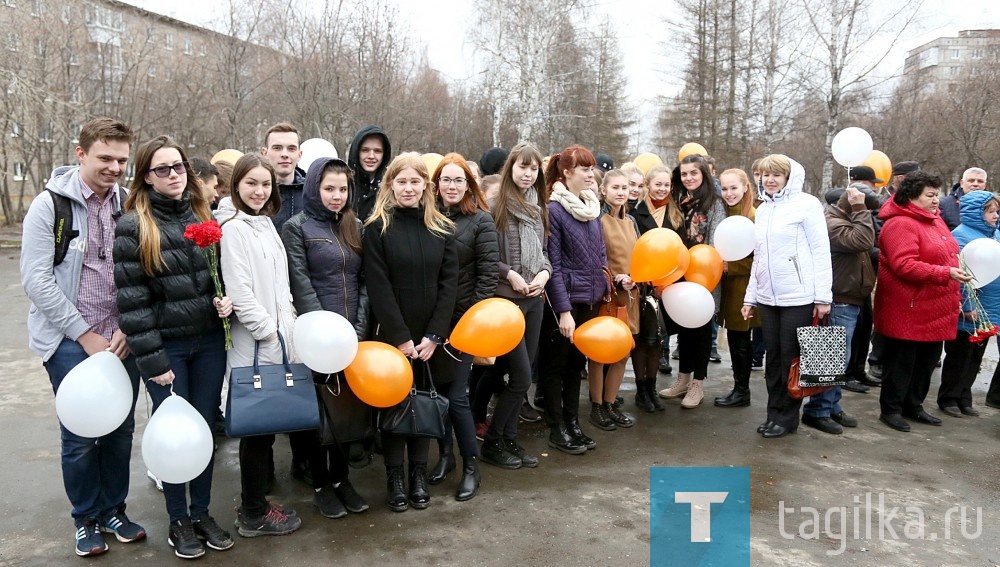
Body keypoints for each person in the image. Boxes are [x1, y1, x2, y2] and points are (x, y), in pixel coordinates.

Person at [21, 118, 145, 557]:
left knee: (120, 429)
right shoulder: (49, 206)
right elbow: (36, 279)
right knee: (79, 435)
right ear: (81, 153)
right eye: (105, 158)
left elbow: (141, 272)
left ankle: (114, 510)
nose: (114, 168)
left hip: (121, 339)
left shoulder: (130, 204)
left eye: (122, 160)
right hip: (71, 342)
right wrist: (84, 334)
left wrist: (128, 327)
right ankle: (86, 518)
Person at [114, 135, 234, 559]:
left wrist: (222, 301)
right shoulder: (134, 225)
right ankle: (177, 520)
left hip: (207, 344)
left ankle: (200, 512)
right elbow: (132, 303)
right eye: (162, 169)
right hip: (168, 350)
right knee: (173, 436)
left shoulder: (202, 213)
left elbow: (213, 277)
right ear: (146, 176)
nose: (173, 175)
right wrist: (155, 361)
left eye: (178, 167)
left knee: (202, 431)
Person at [363, 152, 458, 512]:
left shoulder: (442, 229)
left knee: (423, 403)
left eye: (415, 181)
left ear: (425, 186)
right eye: (401, 181)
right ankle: (395, 476)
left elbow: (449, 285)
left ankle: (418, 473)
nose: (408, 188)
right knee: (395, 405)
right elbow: (378, 286)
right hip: (393, 334)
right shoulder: (378, 228)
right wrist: (400, 338)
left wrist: (434, 335)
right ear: (391, 185)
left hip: (429, 337)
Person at [216, 154, 302, 536]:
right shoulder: (234, 229)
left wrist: (292, 328)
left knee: (266, 430)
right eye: (251, 183)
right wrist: (272, 334)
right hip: (257, 346)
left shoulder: (265, 223)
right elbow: (241, 293)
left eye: (265, 184)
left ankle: (256, 501)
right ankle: (253, 513)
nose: (259, 191)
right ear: (236, 185)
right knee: (257, 430)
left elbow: (280, 290)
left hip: (280, 342)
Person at [280, 157, 371, 518]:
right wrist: (325, 333)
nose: (336, 196)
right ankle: (320, 482)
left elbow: (365, 281)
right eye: (329, 188)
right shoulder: (296, 227)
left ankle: (342, 478)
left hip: (352, 334)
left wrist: (359, 328)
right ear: (314, 187)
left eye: (342, 189)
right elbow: (300, 282)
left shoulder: (355, 226)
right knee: (318, 413)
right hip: (316, 336)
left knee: (347, 410)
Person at [740, 154, 832, 439]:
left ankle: (788, 418)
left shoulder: (807, 205)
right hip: (768, 298)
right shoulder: (763, 209)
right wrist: (750, 298)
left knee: (792, 360)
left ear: (789, 178)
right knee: (773, 359)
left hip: (800, 297)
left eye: (776, 175)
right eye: (765, 175)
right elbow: (759, 258)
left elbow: (820, 251)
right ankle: (773, 414)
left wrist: (823, 296)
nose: (770, 180)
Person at [874, 171, 969, 432]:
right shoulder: (900, 224)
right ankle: (891, 409)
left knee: (926, 361)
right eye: (930, 195)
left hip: (935, 306)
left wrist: (955, 282)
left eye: (937, 194)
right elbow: (904, 265)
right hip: (908, 307)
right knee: (902, 362)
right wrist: (945, 273)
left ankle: (913, 406)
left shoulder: (934, 220)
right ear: (912, 196)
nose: (936, 200)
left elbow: (949, 254)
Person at [472, 143, 550, 458]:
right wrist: (510, 275)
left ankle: (508, 436)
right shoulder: (493, 205)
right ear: (510, 168)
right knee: (521, 377)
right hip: (506, 303)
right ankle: (493, 442)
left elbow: (545, 253)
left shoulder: (538, 206)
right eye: (522, 167)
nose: (528, 174)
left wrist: (545, 274)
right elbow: (483, 257)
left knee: (514, 370)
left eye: (533, 169)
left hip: (534, 300)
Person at [428, 153, 498, 499]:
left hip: (463, 325)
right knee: (437, 395)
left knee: (456, 397)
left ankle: (471, 465)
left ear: (469, 185)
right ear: (436, 184)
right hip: (430, 324)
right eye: (446, 180)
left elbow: (488, 278)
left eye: (459, 180)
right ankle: (445, 457)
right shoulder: (428, 218)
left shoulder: (481, 222)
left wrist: (465, 321)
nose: (452, 186)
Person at [539, 145, 609, 454]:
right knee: (557, 365)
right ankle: (557, 427)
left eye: (592, 169)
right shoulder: (554, 210)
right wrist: (563, 310)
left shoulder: (592, 207)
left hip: (591, 298)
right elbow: (552, 265)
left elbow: (601, 251)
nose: (591, 174)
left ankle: (572, 421)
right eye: (585, 169)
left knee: (576, 364)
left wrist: (605, 281)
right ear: (567, 173)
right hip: (566, 301)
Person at [798, 186, 873, 434]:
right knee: (828, 357)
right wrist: (861, 208)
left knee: (839, 358)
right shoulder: (831, 223)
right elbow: (863, 240)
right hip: (837, 298)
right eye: (865, 209)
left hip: (848, 299)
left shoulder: (841, 220)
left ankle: (831, 405)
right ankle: (817, 410)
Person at [657, 155, 726, 408]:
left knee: (701, 332)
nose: (689, 178)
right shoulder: (677, 201)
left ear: (704, 174)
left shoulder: (714, 203)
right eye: (684, 174)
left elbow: (715, 241)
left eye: (693, 173)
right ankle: (682, 379)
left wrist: (701, 271)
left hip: (705, 276)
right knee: (684, 330)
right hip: (679, 276)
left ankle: (698, 383)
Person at [937, 190, 1000, 417]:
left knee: (976, 357)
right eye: (990, 211)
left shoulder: (995, 235)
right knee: (959, 355)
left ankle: (965, 396)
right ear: (976, 213)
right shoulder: (961, 235)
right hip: (969, 311)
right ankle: (949, 397)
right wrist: (966, 306)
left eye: (996, 211)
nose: (995, 216)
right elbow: (961, 272)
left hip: (989, 309)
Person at [590, 169, 638, 429]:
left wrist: (637, 277)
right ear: (604, 190)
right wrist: (616, 277)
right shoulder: (597, 220)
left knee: (622, 352)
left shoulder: (631, 221)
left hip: (631, 295)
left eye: (625, 187)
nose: (621, 192)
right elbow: (597, 257)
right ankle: (596, 406)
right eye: (616, 187)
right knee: (600, 352)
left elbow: (641, 255)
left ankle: (610, 404)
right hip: (607, 294)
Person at [632, 164, 679, 401]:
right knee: (643, 340)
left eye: (666, 184)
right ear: (647, 185)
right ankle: (641, 390)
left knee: (658, 340)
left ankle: (652, 387)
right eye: (657, 184)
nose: (662, 189)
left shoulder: (675, 212)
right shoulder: (636, 212)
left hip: (668, 286)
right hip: (642, 285)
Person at [713, 168, 760, 408]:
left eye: (734, 188)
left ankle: (742, 390)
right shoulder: (721, 213)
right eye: (725, 188)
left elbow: (758, 259)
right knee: (735, 338)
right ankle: (739, 387)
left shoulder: (752, 215)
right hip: (728, 286)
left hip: (745, 287)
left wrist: (729, 266)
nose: (729, 193)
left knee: (741, 339)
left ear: (745, 187)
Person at [261, 123, 306, 232]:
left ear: (299, 155)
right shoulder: (255, 193)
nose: (284, 154)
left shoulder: (312, 193)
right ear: (265, 153)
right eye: (277, 148)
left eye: (291, 148)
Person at [347, 125, 392, 220]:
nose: (371, 156)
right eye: (365, 150)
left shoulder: (391, 188)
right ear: (356, 152)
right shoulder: (345, 186)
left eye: (377, 151)